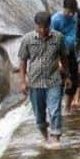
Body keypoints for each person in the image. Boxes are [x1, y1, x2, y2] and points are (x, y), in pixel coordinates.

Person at [18, 11, 69, 148]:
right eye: (40, 27)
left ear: (49, 25)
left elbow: (64, 57)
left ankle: (55, 136)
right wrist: (23, 81)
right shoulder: (27, 39)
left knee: (55, 109)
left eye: (45, 27)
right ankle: (45, 135)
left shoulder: (58, 38)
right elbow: (22, 60)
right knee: (39, 116)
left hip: (54, 80)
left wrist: (67, 75)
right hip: (35, 82)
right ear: (35, 26)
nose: (42, 30)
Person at [51, 0, 80, 113]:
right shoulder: (55, 20)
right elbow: (52, 40)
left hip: (70, 52)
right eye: (69, 11)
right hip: (57, 53)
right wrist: (57, 61)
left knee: (74, 80)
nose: (70, 14)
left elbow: (73, 35)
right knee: (58, 81)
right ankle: (55, 108)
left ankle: (67, 108)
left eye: (72, 11)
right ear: (64, 8)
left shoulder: (74, 18)